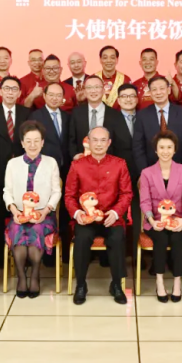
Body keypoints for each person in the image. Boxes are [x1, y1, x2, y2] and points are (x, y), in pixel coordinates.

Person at [65, 126, 133, 305]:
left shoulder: (119, 164)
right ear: (88, 142)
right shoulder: (77, 165)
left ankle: (116, 284)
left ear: (109, 143)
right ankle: (81, 285)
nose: (99, 144)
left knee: (117, 238)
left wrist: (116, 212)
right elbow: (69, 195)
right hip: (86, 219)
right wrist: (77, 213)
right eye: (95, 140)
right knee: (81, 239)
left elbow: (126, 193)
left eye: (103, 140)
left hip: (111, 217)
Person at [3, 121, 61, 298]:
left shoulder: (51, 163)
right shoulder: (13, 164)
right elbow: (7, 192)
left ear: (42, 142)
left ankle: (35, 275)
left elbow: (56, 191)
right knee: (17, 231)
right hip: (19, 213)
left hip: (44, 213)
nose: (32, 145)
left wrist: (45, 211)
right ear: (22, 143)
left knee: (36, 230)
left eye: (36, 141)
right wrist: (14, 211)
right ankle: (21, 277)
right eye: (28, 141)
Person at [0, 75, 31, 261]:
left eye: (14, 89)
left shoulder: (27, 113)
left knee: (23, 211)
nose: (10, 92)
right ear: (0, 91)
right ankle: (0, 255)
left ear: (19, 93)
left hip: (23, 171)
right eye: (7, 88)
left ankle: (24, 253)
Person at [139, 131, 182, 303]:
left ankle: (177, 283)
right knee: (161, 239)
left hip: (180, 218)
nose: (165, 151)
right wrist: (152, 220)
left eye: (169, 147)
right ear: (156, 150)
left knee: (177, 239)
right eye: (161, 147)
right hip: (155, 220)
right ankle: (160, 282)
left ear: (175, 150)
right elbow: (145, 201)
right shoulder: (147, 173)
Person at [133, 75, 182, 172]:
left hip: (179, 169)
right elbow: (138, 147)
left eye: (162, 88)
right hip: (151, 170)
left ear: (169, 90)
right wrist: (145, 172)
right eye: (154, 89)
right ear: (150, 93)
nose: (158, 92)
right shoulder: (142, 115)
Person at [68, 75, 128, 164]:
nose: (93, 91)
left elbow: (121, 145)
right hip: (82, 163)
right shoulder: (76, 113)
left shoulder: (115, 115)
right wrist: (75, 155)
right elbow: (71, 139)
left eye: (97, 87)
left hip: (108, 165)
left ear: (103, 90)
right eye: (89, 87)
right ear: (84, 91)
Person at [30, 83, 71, 173]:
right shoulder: (35, 116)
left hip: (66, 167)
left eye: (58, 95)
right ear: (44, 96)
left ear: (63, 98)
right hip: (44, 166)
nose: (54, 98)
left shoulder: (67, 117)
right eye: (51, 95)